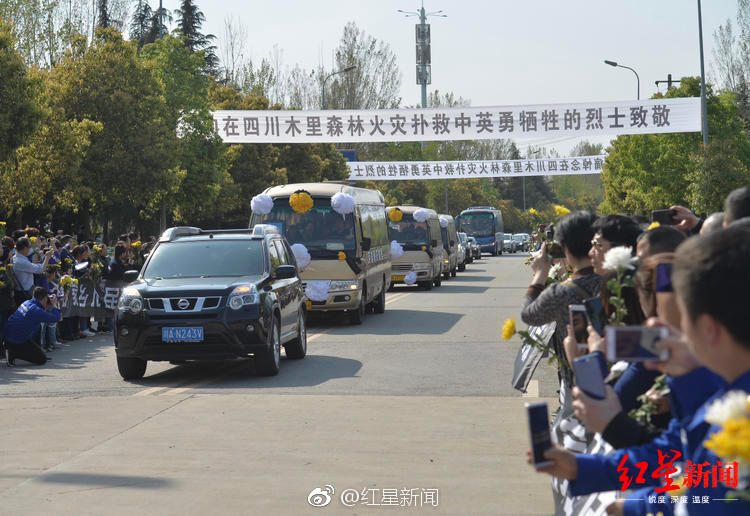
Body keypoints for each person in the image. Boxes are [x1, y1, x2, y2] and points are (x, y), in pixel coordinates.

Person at [532, 224, 750, 516]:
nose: (658, 331)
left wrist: (638, 504)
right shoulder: (711, 388)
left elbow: (715, 496)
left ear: (708, 328)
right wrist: (581, 468)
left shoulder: (712, 389)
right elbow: (684, 463)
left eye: (681, 322)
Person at [4, 287, 60, 366]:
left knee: (37, 326)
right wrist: (54, 305)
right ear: (44, 299)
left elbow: (39, 315)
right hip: (16, 340)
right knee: (41, 359)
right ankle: (13, 352)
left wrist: (46, 306)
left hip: (9, 335)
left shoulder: (27, 302)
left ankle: (14, 350)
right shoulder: (36, 311)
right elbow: (56, 318)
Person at [12, 237, 54, 306]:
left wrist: (40, 254)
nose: (30, 249)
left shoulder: (15, 257)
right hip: (25, 294)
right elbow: (40, 269)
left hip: (22, 291)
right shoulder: (21, 262)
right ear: (25, 248)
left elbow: (32, 265)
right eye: (29, 247)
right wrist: (47, 257)